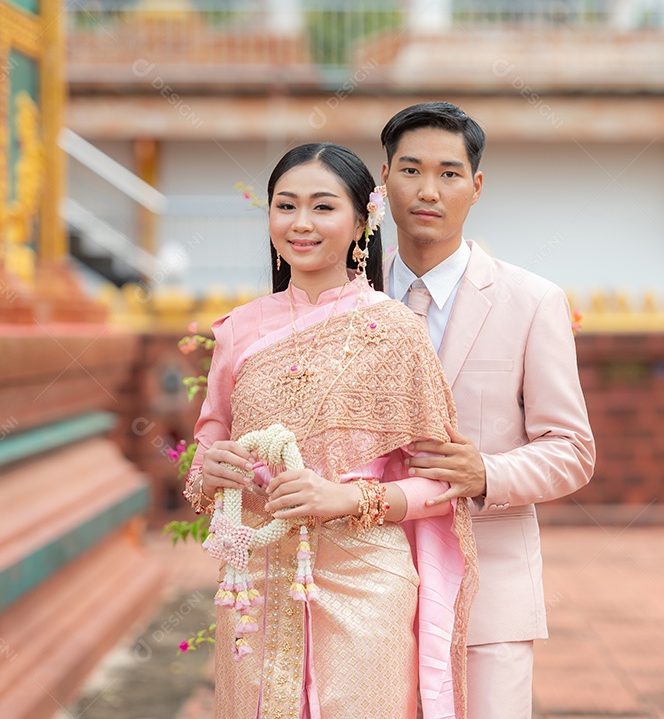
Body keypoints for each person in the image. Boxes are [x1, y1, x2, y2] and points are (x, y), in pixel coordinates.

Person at [184, 142, 477, 719]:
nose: (301, 224)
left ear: (360, 222)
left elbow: (441, 483)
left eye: (323, 207)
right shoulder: (239, 330)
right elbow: (209, 445)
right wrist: (210, 470)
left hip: (365, 576)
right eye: (285, 206)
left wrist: (342, 498)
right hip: (258, 580)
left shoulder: (395, 331)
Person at [379, 102, 596, 719]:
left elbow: (573, 450)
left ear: (475, 187)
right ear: (384, 179)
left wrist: (487, 475)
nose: (428, 190)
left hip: (489, 595)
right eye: (411, 170)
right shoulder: (346, 300)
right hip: (367, 589)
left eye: (449, 173)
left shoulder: (532, 302)